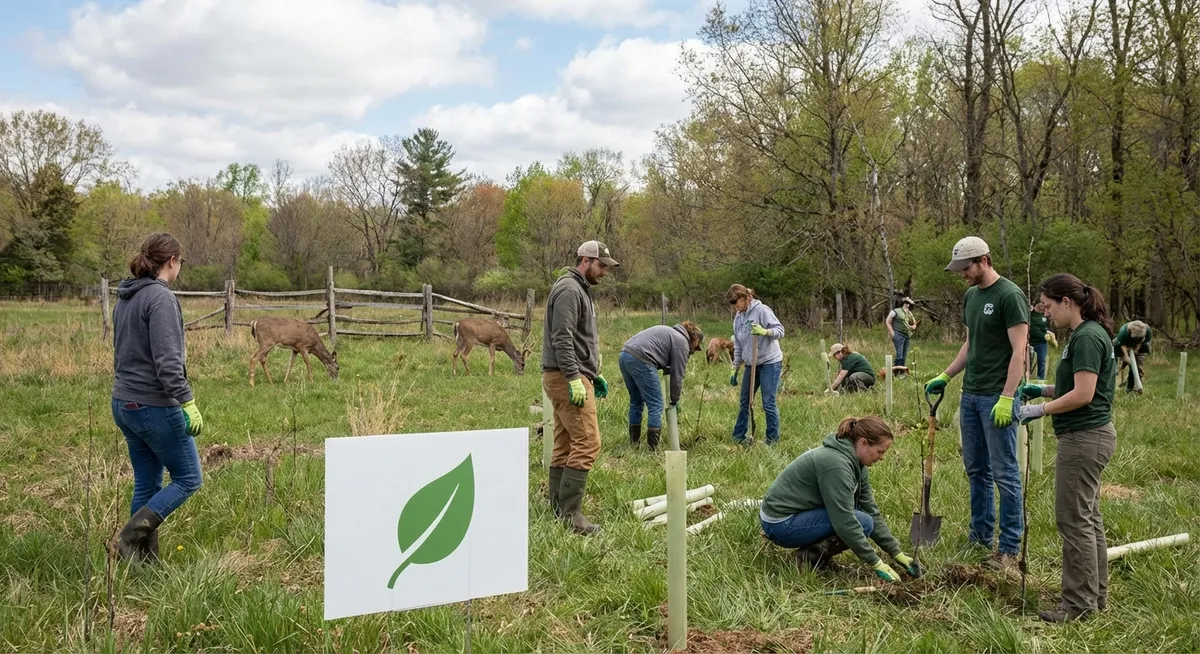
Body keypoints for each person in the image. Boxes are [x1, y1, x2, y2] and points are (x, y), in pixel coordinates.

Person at [1016, 273, 1117, 623]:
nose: (1045, 315)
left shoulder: (1087, 337)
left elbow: (1085, 394)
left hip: (1084, 438)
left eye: (1047, 307)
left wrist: (1038, 410)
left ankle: (1077, 605)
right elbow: (1076, 386)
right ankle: (1095, 596)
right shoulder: (1086, 335)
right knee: (1088, 518)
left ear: (1067, 302)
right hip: (1091, 435)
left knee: (1074, 521)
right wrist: (1042, 390)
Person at [924, 236, 1028, 571]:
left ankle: (1009, 549)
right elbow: (970, 344)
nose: (962, 275)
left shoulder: (1009, 296)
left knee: (1005, 473)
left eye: (965, 267)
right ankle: (980, 536)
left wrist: (1008, 396)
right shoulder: (970, 296)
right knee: (976, 470)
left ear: (984, 260)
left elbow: (1020, 351)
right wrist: (947, 374)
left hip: (996, 397)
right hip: (970, 396)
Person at [110, 232, 204, 563]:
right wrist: (187, 401)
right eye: (181, 261)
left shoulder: (126, 297)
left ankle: (143, 564)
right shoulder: (160, 299)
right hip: (153, 405)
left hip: (124, 403)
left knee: (147, 485)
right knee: (189, 478)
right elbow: (167, 362)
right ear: (172, 261)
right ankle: (127, 539)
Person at [760, 416, 919, 581]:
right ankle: (807, 559)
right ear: (863, 443)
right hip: (780, 523)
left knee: (865, 519)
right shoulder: (836, 465)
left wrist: (896, 552)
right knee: (861, 522)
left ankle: (818, 558)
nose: (882, 457)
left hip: (797, 515)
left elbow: (870, 509)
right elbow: (844, 520)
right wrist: (876, 563)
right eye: (880, 451)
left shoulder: (857, 465)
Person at [543, 240, 618, 535]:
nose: (604, 272)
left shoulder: (577, 289)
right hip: (565, 378)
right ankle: (571, 515)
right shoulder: (570, 290)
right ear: (585, 261)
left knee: (564, 443)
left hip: (568, 375)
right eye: (601, 266)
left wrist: (591, 373)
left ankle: (556, 507)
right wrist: (575, 377)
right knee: (588, 442)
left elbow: (575, 339)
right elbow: (562, 338)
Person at [619, 321, 705, 451]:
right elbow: (677, 375)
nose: (694, 351)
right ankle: (652, 450)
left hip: (625, 355)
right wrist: (674, 399)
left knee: (636, 401)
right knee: (656, 405)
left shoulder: (670, 333)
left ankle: (634, 444)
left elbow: (668, 368)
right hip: (641, 358)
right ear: (695, 339)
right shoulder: (682, 342)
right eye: (696, 347)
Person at [727, 284, 786, 445]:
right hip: (750, 364)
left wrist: (765, 331)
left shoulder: (762, 310)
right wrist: (735, 367)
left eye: (736, 302)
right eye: (732, 304)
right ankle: (739, 437)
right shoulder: (738, 318)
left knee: (768, 402)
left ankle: (772, 440)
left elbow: (780, 330)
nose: (735, 307)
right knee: (745, 401)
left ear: (746, 298)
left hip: (769, 362)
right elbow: (738, 345)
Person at [1113, 320, 1151, 392]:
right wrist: (1126, 356)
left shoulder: (1148, 330)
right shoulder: (1124, 330)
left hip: (1141, 347)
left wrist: (1137, 348)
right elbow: (1122, 344)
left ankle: (1133, 387)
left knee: (1137, 367)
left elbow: (1146, 341)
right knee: (1114, 344)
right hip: (1124, 346)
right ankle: (1115, 371)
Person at [885, 297, 917, 370]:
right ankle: (896, 371)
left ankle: (901, 370)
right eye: (906, 303)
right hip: (898, 334)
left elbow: (914, 322)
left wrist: (913, 327)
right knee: (899, 354)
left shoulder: (909, 313)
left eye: (908, 303)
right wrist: (892, 333)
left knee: (904, 355)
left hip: (907, 335)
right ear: (903, 303)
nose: (907, 305)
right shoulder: (895, 311)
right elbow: (888, 321)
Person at [1028, 302, 1058, 380]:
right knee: (1028, 362)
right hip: (1031, 342)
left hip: (1042, 343)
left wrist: (1050, 335)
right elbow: (1034, 329)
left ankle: (1040, 379)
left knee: (1042, 361)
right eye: (1039, 306)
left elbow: (1045, 328)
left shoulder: (1045, 316)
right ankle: (1027, 377)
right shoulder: (1030, 314)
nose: (1041, 308)